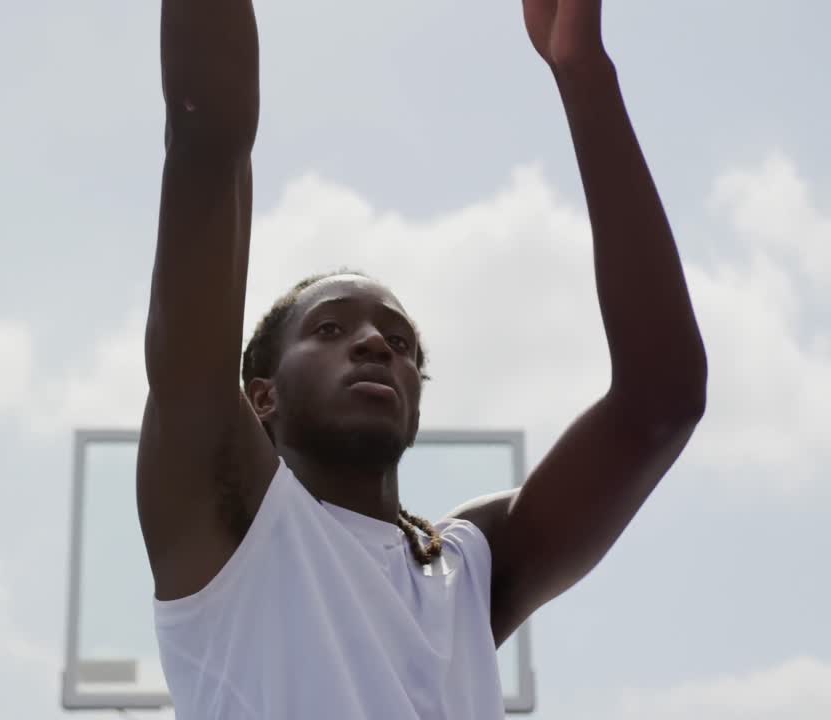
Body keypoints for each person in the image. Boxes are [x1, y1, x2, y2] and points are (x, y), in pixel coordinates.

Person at [137, 1, 708, 718]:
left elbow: (661, 402)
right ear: (261, 397)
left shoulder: (464, 568)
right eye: (331, 329)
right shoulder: (222, 510)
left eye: (400, 342)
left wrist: (584, 72)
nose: (375, 344)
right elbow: (207, 137)